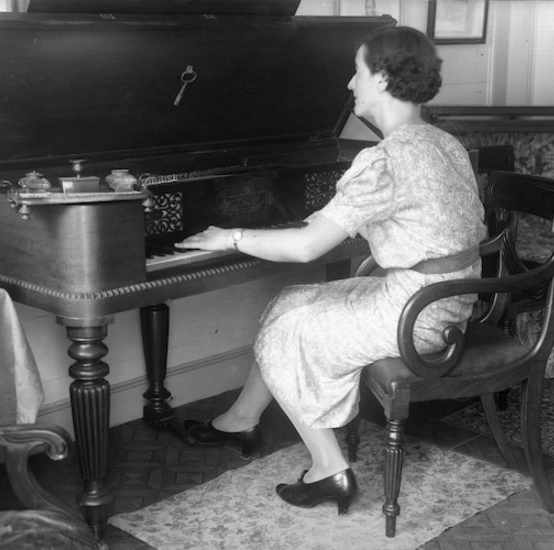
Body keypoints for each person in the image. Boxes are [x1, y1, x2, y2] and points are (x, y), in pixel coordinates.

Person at [175, 25, 486, 515]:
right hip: (448, 298)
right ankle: (241, 419)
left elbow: (305, 246)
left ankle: (329, 470)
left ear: (382, 79)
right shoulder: (443, 143)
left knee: (290, 329)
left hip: (415, 313)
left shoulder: (386, 159)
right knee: (289, 301)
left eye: (356, 71)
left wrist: (230, 237)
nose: (349, 85)